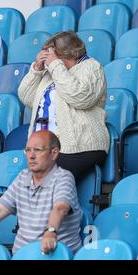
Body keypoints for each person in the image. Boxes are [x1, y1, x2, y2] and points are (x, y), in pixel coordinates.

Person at [0, 130, 83, 259]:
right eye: (28, 150)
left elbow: (60, 208)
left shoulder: (64, 177)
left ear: (54, 153)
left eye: (37, 150)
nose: (31, 156)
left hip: (55, 255)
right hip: (23, 255)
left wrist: (51, 232)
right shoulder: (22, 177)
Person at [18, 31, 109, 184]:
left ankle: (61, 207)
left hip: (79, 146)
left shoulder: (91, 67)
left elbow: (80, 97)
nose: (48, 58)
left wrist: (55, 65)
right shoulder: (51, 72)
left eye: (51, 54)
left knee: (44, 183)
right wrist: (37, 70)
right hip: (47, 147)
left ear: (66, 54)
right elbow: (27, 97)